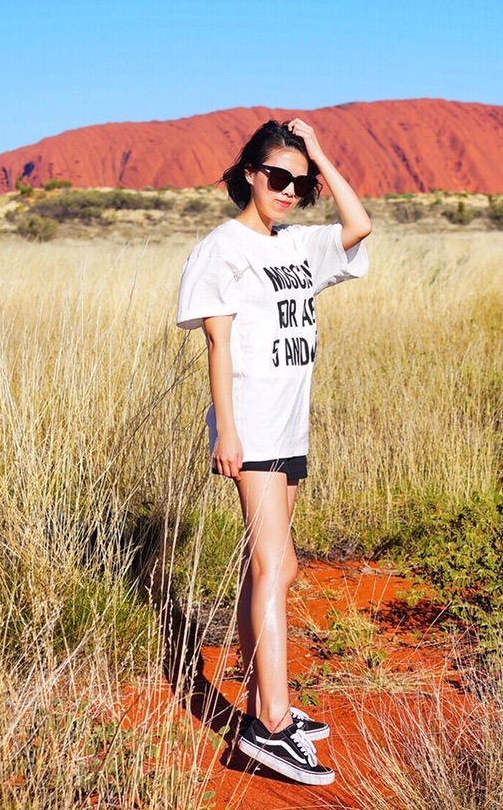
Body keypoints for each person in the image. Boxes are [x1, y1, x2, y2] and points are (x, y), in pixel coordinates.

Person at [175, 117, 372, 786]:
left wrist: (320, 155)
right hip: (253, 423)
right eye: (277, 177)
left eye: (299, 182)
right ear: (250, 176)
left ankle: (263, 701)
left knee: (276, 568)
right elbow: (218, 344)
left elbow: (359, 227)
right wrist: (225, 431)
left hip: (290, 425)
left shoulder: (296, 244)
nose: (289, 190)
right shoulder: (222, 249)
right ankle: (274, 726)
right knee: (272, 561)